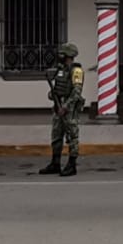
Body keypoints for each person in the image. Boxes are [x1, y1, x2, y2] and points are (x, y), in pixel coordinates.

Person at [40, 43, 83, 178]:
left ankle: (72, 165)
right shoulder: (61, 70)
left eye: (62, 54)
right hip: (58, 105)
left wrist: (66, 106)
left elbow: (76, 92)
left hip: (69, 109)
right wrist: (52, 95)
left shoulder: (76, 71)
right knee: (56, 135)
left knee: (72, 136)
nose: (60, 56)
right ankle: (55, 163)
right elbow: (58, 87)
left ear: (68, 55)